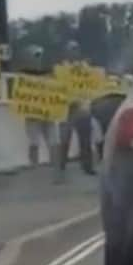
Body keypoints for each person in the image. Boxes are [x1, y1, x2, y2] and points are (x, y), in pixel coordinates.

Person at [19, 45, 64, 183]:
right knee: (34, 142)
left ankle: (56, 173)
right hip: (33, 114)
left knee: (54, 142)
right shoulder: (23, 74)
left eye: (39, 56)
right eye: (35, 56)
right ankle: (35, 171)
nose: (38, 59)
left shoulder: (49, 72)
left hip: (48, 113)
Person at [58, 41, 96, 175]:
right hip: (66, 108)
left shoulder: (84, 67)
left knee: (85, 139)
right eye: (71, 50)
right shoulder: (62, 68)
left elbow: (93, 84)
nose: (73, 52)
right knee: (64, 140)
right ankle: (60, 168)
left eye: (75, 50)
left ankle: (88, 166)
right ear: (66, 52)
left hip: (82, 107)